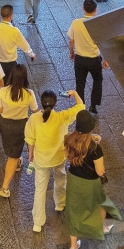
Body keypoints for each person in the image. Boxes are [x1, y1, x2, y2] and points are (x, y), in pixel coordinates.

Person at [24, 89, 84, 233]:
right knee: (60, 179)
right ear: (55, 104)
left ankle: (37, 223)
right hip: (58, 158)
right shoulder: (62, 117)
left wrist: (30, 154)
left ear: (41, 103)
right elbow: (81, 107)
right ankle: (60, 204)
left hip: (41, 159)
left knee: (40, 190)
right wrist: (75, 94)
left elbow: (30, 138)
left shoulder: (34, 118)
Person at [64, 110, 122, 249]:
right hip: (90, 183)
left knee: (73, 211)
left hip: (73, 180)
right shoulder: (96, 149)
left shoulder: (69, 140)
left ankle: (73, 246)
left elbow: (67, 156)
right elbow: (100, 172)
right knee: (100, 204)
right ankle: (99, 228)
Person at [0, 63, 39, 198]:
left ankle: (18, 162)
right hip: (21, 126)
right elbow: (35, 112)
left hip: (5, 125)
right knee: (12, 156)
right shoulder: (29, 94)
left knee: (12, 149)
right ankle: (4, 188)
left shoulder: (3, 91)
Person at [68, 0, 109, 114]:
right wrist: (106, 59)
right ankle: (93, 106)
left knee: (80, 83)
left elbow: (71, 41)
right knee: (97, 80)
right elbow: (104, 42)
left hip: (80, 59)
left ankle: (81, 107)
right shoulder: (98, 24)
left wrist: (71, 52)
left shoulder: (76, 23)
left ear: (83, 9)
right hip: (94, 59)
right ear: (96, 10)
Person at [0, 4, 35, 83]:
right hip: (10, 63)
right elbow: (24, 45)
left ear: (1, 14)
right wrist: (31, 54)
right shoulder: (14, 31)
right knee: (9, 83)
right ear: (11, 16)